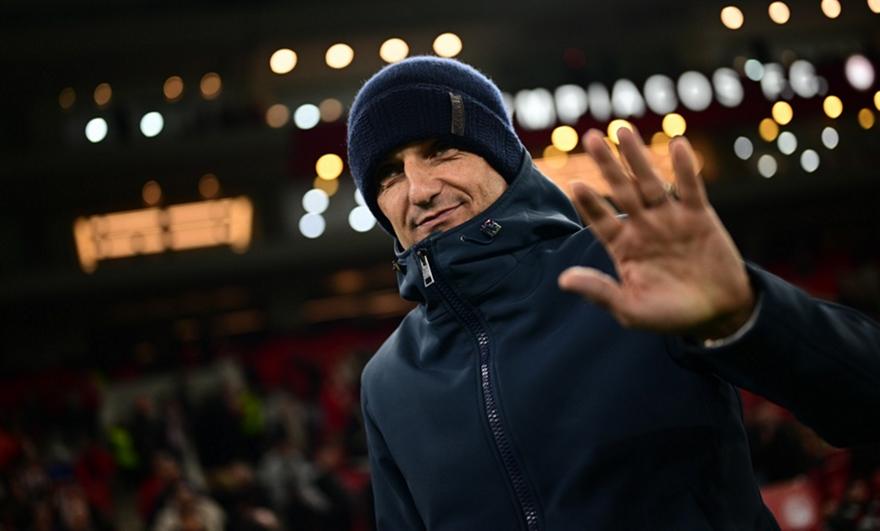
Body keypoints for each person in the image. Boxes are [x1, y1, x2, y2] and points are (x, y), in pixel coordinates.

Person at [345, 56, 880, 530]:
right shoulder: (386, 381)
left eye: (442, 151)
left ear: (502, 158)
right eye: (389, 174)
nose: (419, 190)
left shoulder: (631, 262)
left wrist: (749, 315)